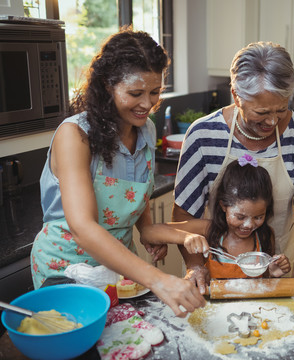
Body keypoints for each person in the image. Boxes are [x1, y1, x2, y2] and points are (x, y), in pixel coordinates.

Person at [30, 28, 206, 317]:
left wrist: (186, 235)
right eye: (135, 93)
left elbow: (144, 227)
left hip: (120, 269)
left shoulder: (146, 130)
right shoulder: (75, 136)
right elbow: (83, 229)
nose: (148, 104)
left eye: (155, 92)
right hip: (66, 270)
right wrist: (159, 279)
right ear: (106, 86)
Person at [173, 41, 294, 292]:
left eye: (281, 109)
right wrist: (195, 267)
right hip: (213, 272)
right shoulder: (203, 134)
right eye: (262, 112)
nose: (272, 121)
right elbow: (184, 214)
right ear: (236, 95)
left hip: (275, 272)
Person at [204, 155, 290, 278]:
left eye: (258, 217)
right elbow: (169, 230)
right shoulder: (208, 230)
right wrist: (188, 240)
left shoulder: (265, 236)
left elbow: (264, 278)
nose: (249, 225)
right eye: (240, 217)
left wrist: (273, 272)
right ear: (223, 206)